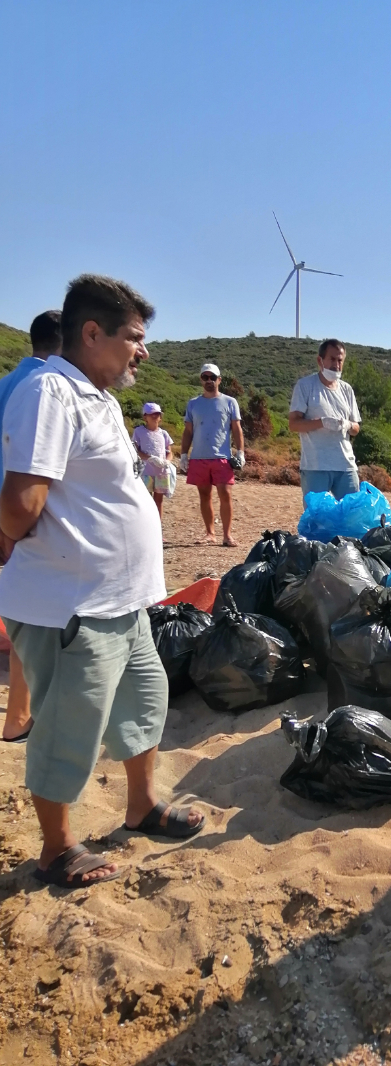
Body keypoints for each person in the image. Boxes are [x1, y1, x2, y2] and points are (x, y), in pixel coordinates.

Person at [0, 274, 204, 889]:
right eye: (134, 337)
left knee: (144, 701)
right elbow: (20, 502)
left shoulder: (98, 398)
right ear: (92, 333)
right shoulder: (50, 393)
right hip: (72, 604)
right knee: (70, 725)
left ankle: (141, 807)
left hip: (122, 601)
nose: (144, 350)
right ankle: (57, 849)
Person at [0, 310, 62, 743]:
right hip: (24, 517)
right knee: (32, 613)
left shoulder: (7, 382)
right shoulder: (47, 387)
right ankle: (19, 717)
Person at [180, 363, 245, 546]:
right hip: (198, 457)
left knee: (225, 494)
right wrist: (183, 454)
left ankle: (227, 535)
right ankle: (210, 533)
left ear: (219, 380)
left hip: (222, 457)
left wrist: (240, 452)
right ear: (201, 380)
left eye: (212, 377)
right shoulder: (193, 404)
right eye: (205, 377)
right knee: (204, 495)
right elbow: (188, 431)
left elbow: (236, 429)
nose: (209, 381)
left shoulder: (230, 402)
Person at [289, 339, 361, 501]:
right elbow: (293, 424)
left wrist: (347, 424)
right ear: (320, 360)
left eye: (340, 360)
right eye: (332, 359)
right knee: (317, 515)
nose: (336, 364)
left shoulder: (346, 389)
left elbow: (356, 428)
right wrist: (322, 422)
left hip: (346, 466)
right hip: (315, 466)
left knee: (352, 513)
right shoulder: (305, 386)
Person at [132, 403, 174, 519]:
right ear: (145, 417)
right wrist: (150, 458)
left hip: (161, 473)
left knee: (159, 501)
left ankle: (158, 525)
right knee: (146, 500)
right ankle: (146, 524)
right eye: (152, 414)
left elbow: (169, 452)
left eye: (157, 414)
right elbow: (135, 450)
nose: (155, 417)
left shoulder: (164, 433)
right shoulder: (139, 431)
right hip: (146, 472)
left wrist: (167, 461)